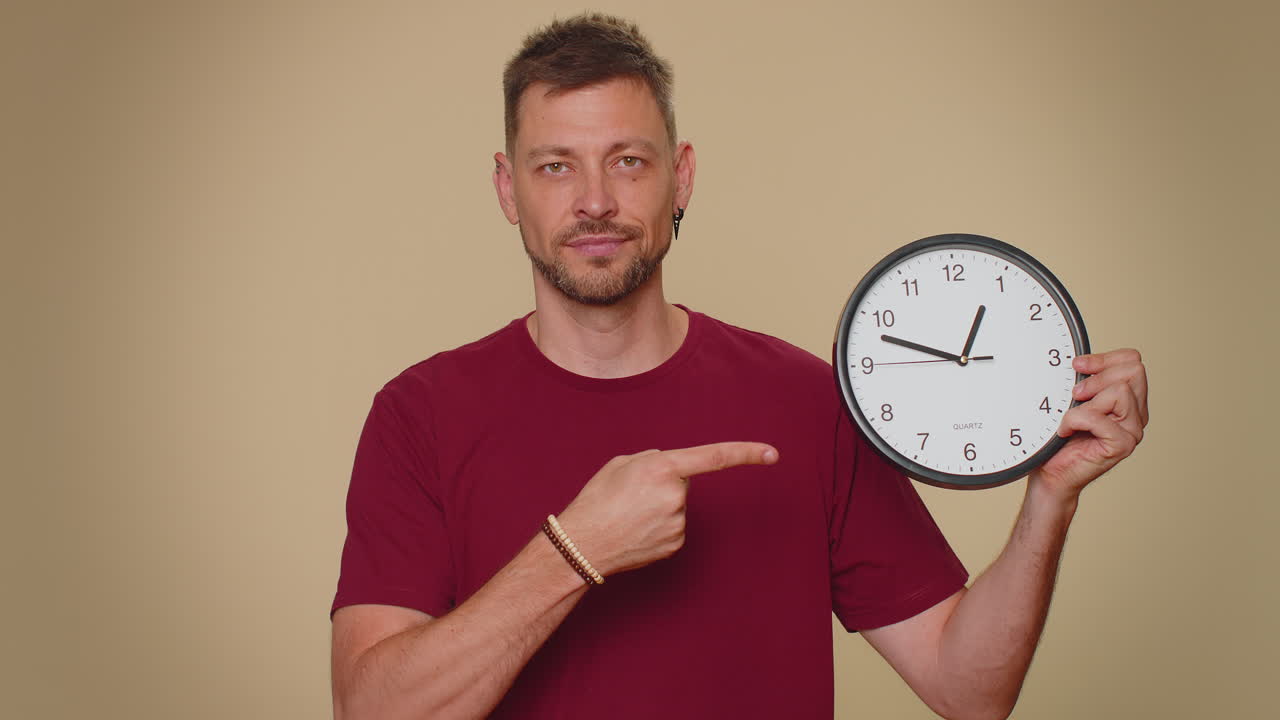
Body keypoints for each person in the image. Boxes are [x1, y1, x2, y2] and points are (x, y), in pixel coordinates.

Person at [329, 13, 1148, 720]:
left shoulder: (809, 400)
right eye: (555, 166)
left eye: (627, 161)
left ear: (679, 177)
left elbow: (969, 690)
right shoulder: (419, 415)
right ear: (509, 189)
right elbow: (376, 710)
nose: (594, 202)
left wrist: (1050, 497)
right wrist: (574, 550)